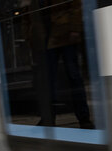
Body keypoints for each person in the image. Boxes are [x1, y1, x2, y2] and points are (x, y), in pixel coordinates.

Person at [46, 0, 94, 129]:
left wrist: (74, 28)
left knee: (73, 76)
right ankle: (48, 118)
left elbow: (76, 5)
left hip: (65, 33)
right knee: (48, 81)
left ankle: (83, 118)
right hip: (46, 36)